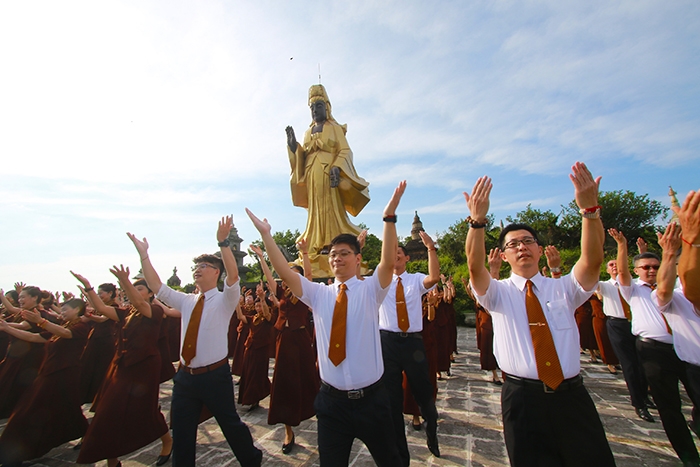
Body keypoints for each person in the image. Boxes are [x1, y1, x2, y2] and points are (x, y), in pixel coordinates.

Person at [246, 180, 407, 466]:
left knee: (390, 460)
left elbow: (385, 262)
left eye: (344, 253)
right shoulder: (319, 294)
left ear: (358, 259)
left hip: (372, 401)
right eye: (333, 255)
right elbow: (284, 272)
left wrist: (389, 218)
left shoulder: (372, 289)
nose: (337, 258)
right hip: (332, 404)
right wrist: (267, 236)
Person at [464, 162, 615, 466]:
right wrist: (477, 222)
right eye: (513, 244)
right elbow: (474, 266)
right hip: (522, 399)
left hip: (572, 397)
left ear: (539, 248)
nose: (522, 247)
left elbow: (593, 260)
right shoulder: (498, 293)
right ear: (504, 256)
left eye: (528, 241)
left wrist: (589, 212)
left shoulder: (564, 289)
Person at [128, 216, 262, 467]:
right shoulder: (186, 301)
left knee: (230, 424)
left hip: (215, 376)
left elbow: (234, 275)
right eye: (195, 267)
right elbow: (157, 286)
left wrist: (223, 243)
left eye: (203, 266)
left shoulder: (225, 299)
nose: (197, 269)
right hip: (185, 377)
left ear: (216, 272)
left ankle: (252, 460)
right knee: (182, 429)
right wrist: (144, 256)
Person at [613, 227, 700, 466]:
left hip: (687, 349)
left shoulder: (681, 286)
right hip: (654, 350)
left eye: (655, 266)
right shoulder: (634, 289)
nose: (651, 271)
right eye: (646, 267)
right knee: (669, 406)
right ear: (637, 271)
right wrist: (622, 245)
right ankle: (689, 456)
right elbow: (622, 271)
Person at [74, 267, 172, 467]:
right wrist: (89, 288)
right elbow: (102, 309)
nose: (135, 292)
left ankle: (167, 441)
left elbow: (137, 301)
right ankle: (113, 460)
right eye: (133, 288)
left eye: (140, 289)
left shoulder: (155, 310)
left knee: (145, 409)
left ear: (151, 293)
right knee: (109, 410)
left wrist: (125, 281)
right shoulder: (128, 312)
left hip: (144, 366)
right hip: (122, 366)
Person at [285, 84, 370, 277]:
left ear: (327, 108)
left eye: (319, 106)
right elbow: (301, 155)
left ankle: (335, 245)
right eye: (312, 108)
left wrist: (336, 167)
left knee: (331, 208)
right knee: (315, 212)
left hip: (329, 173)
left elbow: (345, 150)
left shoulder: (334, 128)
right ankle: (315, 246)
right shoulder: (308, 132)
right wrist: (293, 146)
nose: (315, 110)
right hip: (312, 174)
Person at [0, 298, 90, 465]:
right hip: (50, 372)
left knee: (31, 409)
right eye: (61, 310)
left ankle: (15, 452)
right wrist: (7, 328)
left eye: (66, 310)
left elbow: (65, 335)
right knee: (61, 408)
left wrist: (40, 321)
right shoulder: (62, 326)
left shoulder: (81, 327)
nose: (62, 313)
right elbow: (34, 337)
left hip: (64, 374)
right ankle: (84, 432)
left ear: (77, 309)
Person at [250, 243, 319, 455]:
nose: (289, 276)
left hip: (300, 338)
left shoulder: (303, 291)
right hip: (283, 339)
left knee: (308, 379)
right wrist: (262, 257)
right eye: (288, 273)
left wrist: (305, 253)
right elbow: (271, 276)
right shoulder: (279, 291)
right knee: (283, 383)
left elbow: (308, 273)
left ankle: (319, 415)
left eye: (293, 272)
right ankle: (288, 430)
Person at [378, 235, 440, 464]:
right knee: (391, 400)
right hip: (388, 342)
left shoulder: (415, 280)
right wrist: (359, 250)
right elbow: (357, 280)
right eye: (390, 253)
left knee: (423, 391)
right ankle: (400, 454)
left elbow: (434, 278)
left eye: (398, 253)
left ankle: (431, 426)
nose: (394, 256)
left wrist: (431, 248)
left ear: (406, 258)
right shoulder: (381, 281)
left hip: (412, 342)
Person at [653, 222, 700, 444]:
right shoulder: (677, 295)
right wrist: (670, 253)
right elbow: (664, 289)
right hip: (686, 362)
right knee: (670, 407)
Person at [596, 257, 654, 422]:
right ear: (607, 270)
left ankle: (645, 396)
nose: (614, 266)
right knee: (629, 364)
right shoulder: (605, 285)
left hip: (635, 324)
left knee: (643, 363)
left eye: (617, 263)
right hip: (616, 324)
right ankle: (638, 403)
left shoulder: (633, 284)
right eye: (611, 265)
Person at [78, 282, 118, 406]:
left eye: (101, 294)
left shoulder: (114, 306)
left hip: (106, 340)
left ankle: (99, 395)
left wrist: (88, 314)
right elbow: (84, 319)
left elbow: (101, 319)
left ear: (110, 293)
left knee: (101, 369)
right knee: (87, 366)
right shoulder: (99, 307)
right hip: (95, 338)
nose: (99, 296)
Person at [236, 285, 272, 410]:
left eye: (260, 306)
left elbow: (267, 313)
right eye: (256, 306)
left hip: (261, 349)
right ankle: (249, 398)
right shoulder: (252, 318)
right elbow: (240, 317)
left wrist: (262, 299)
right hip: (250, 347)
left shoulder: (268, 319)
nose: (258, 308)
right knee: (248, 372)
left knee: (257, 373)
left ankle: (256, 398)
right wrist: (237, 303)